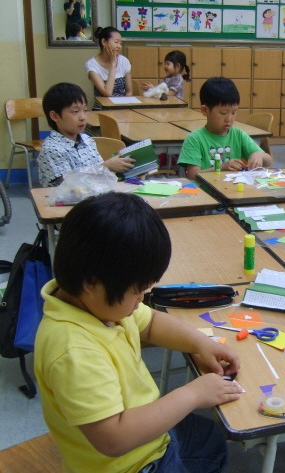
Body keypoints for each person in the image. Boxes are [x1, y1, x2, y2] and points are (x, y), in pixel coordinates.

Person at [34, 192, 242, 473]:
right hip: (130, 464)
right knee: (207, 441)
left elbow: (151, 322)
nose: (141, 300)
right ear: (91, 283)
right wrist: (192, 395)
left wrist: (200, 344)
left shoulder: (100, 305)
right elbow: (114, 438)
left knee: (210, 438)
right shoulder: (74, 351)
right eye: (137, 291)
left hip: (147, 434)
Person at [37, 83, 133, 187]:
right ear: (55, 116)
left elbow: (100, 176)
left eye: (85, 110)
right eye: (75, 111)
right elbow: (67, 187)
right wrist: (105, 167)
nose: (83, 117)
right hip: (71, 197)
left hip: (97, 193)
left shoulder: (87, 140)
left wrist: (122, 169)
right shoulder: (52, 149)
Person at [178, 77, 273, 179]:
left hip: (233, 187)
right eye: (223, 113)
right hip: (205, 189)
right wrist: (221, 167)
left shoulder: (238, 135)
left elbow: (269, 161)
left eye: (234, 112)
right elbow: (193, 175)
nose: (229, 119)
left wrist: (259, 155)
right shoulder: (194, 139)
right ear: (205, 110)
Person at [85, 26, 132, 110]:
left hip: (121, 109)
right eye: (116, 42)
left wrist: (125, 110)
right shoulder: (92, 64)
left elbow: (129, 92)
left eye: (120, 43)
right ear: (104, 42)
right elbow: (107, 93)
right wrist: (113, 65)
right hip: (101, 109)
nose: (119, 46)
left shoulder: (124, 61)